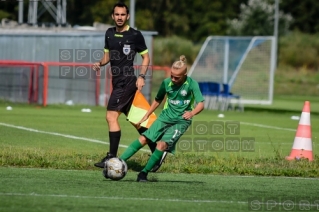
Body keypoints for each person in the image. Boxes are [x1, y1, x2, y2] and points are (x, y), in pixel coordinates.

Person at [92, 2, 166, 171]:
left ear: (128, 16)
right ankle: (157, 153)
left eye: (122, 15)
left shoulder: (135, 35)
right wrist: (99, 63)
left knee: (111, 117)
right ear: (112, 16)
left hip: (127, 82)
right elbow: (107, 57)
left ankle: (111, 158)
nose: (119, 17)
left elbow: (146, 58)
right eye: (117, 14)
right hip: (117, 82)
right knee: (138, 122)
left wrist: (141, 76)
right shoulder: (109, 33)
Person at [118, 55, 205, 182]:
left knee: (162, 145)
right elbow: (157, 100)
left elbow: (201, 104)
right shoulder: (166, 83)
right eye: (172, 76)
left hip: (181, 121)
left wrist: (192, 113)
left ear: (185, 74)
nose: (173, 79)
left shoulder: (192, 84)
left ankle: (143, 173)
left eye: (177, 77)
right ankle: (118, 162)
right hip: (164, 117)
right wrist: (146, 115)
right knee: (144, 138)